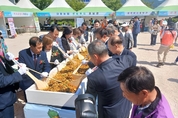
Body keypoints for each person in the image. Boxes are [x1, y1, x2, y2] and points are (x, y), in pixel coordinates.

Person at [86, 40, 134, 118]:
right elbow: (130, 58)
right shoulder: (124, 61)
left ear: (95, 56)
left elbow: (89, 99)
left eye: (91, 58)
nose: (91, 60)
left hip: (109, 115)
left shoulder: (94, 77)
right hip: (125, 108)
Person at [0, 52, 28, 118]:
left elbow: (4, 70)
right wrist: (19, 73)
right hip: (3, 101)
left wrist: (9, 61)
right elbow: (1, 81)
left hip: (7, 98)